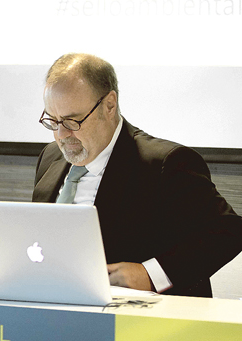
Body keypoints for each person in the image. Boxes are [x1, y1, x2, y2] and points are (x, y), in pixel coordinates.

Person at [33, 53, 242, 297]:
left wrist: (150, 274)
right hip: (54, 303)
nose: (60, 135)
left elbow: (228, 231)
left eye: (72, 121)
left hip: (141, 316)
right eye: (52, 121)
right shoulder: (50, 157)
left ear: (109, 105)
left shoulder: (167, 163)